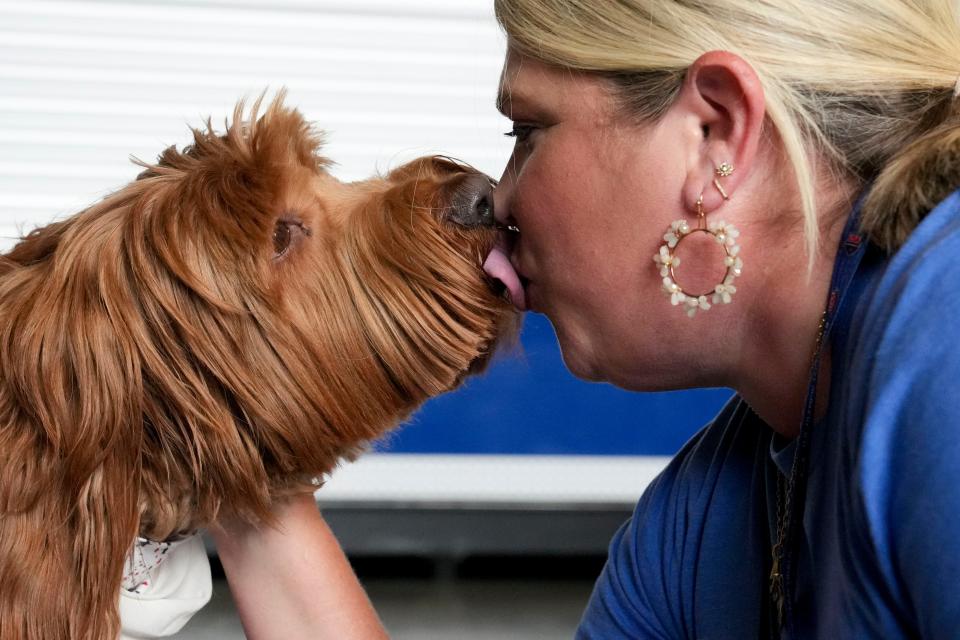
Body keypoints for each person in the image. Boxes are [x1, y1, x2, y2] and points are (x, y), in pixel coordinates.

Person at [211, 0, 960, 638]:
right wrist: (242, 469)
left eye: (527, 132)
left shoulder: (942, 345)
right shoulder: (701, 525)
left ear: (714, 132)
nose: (498, 199)